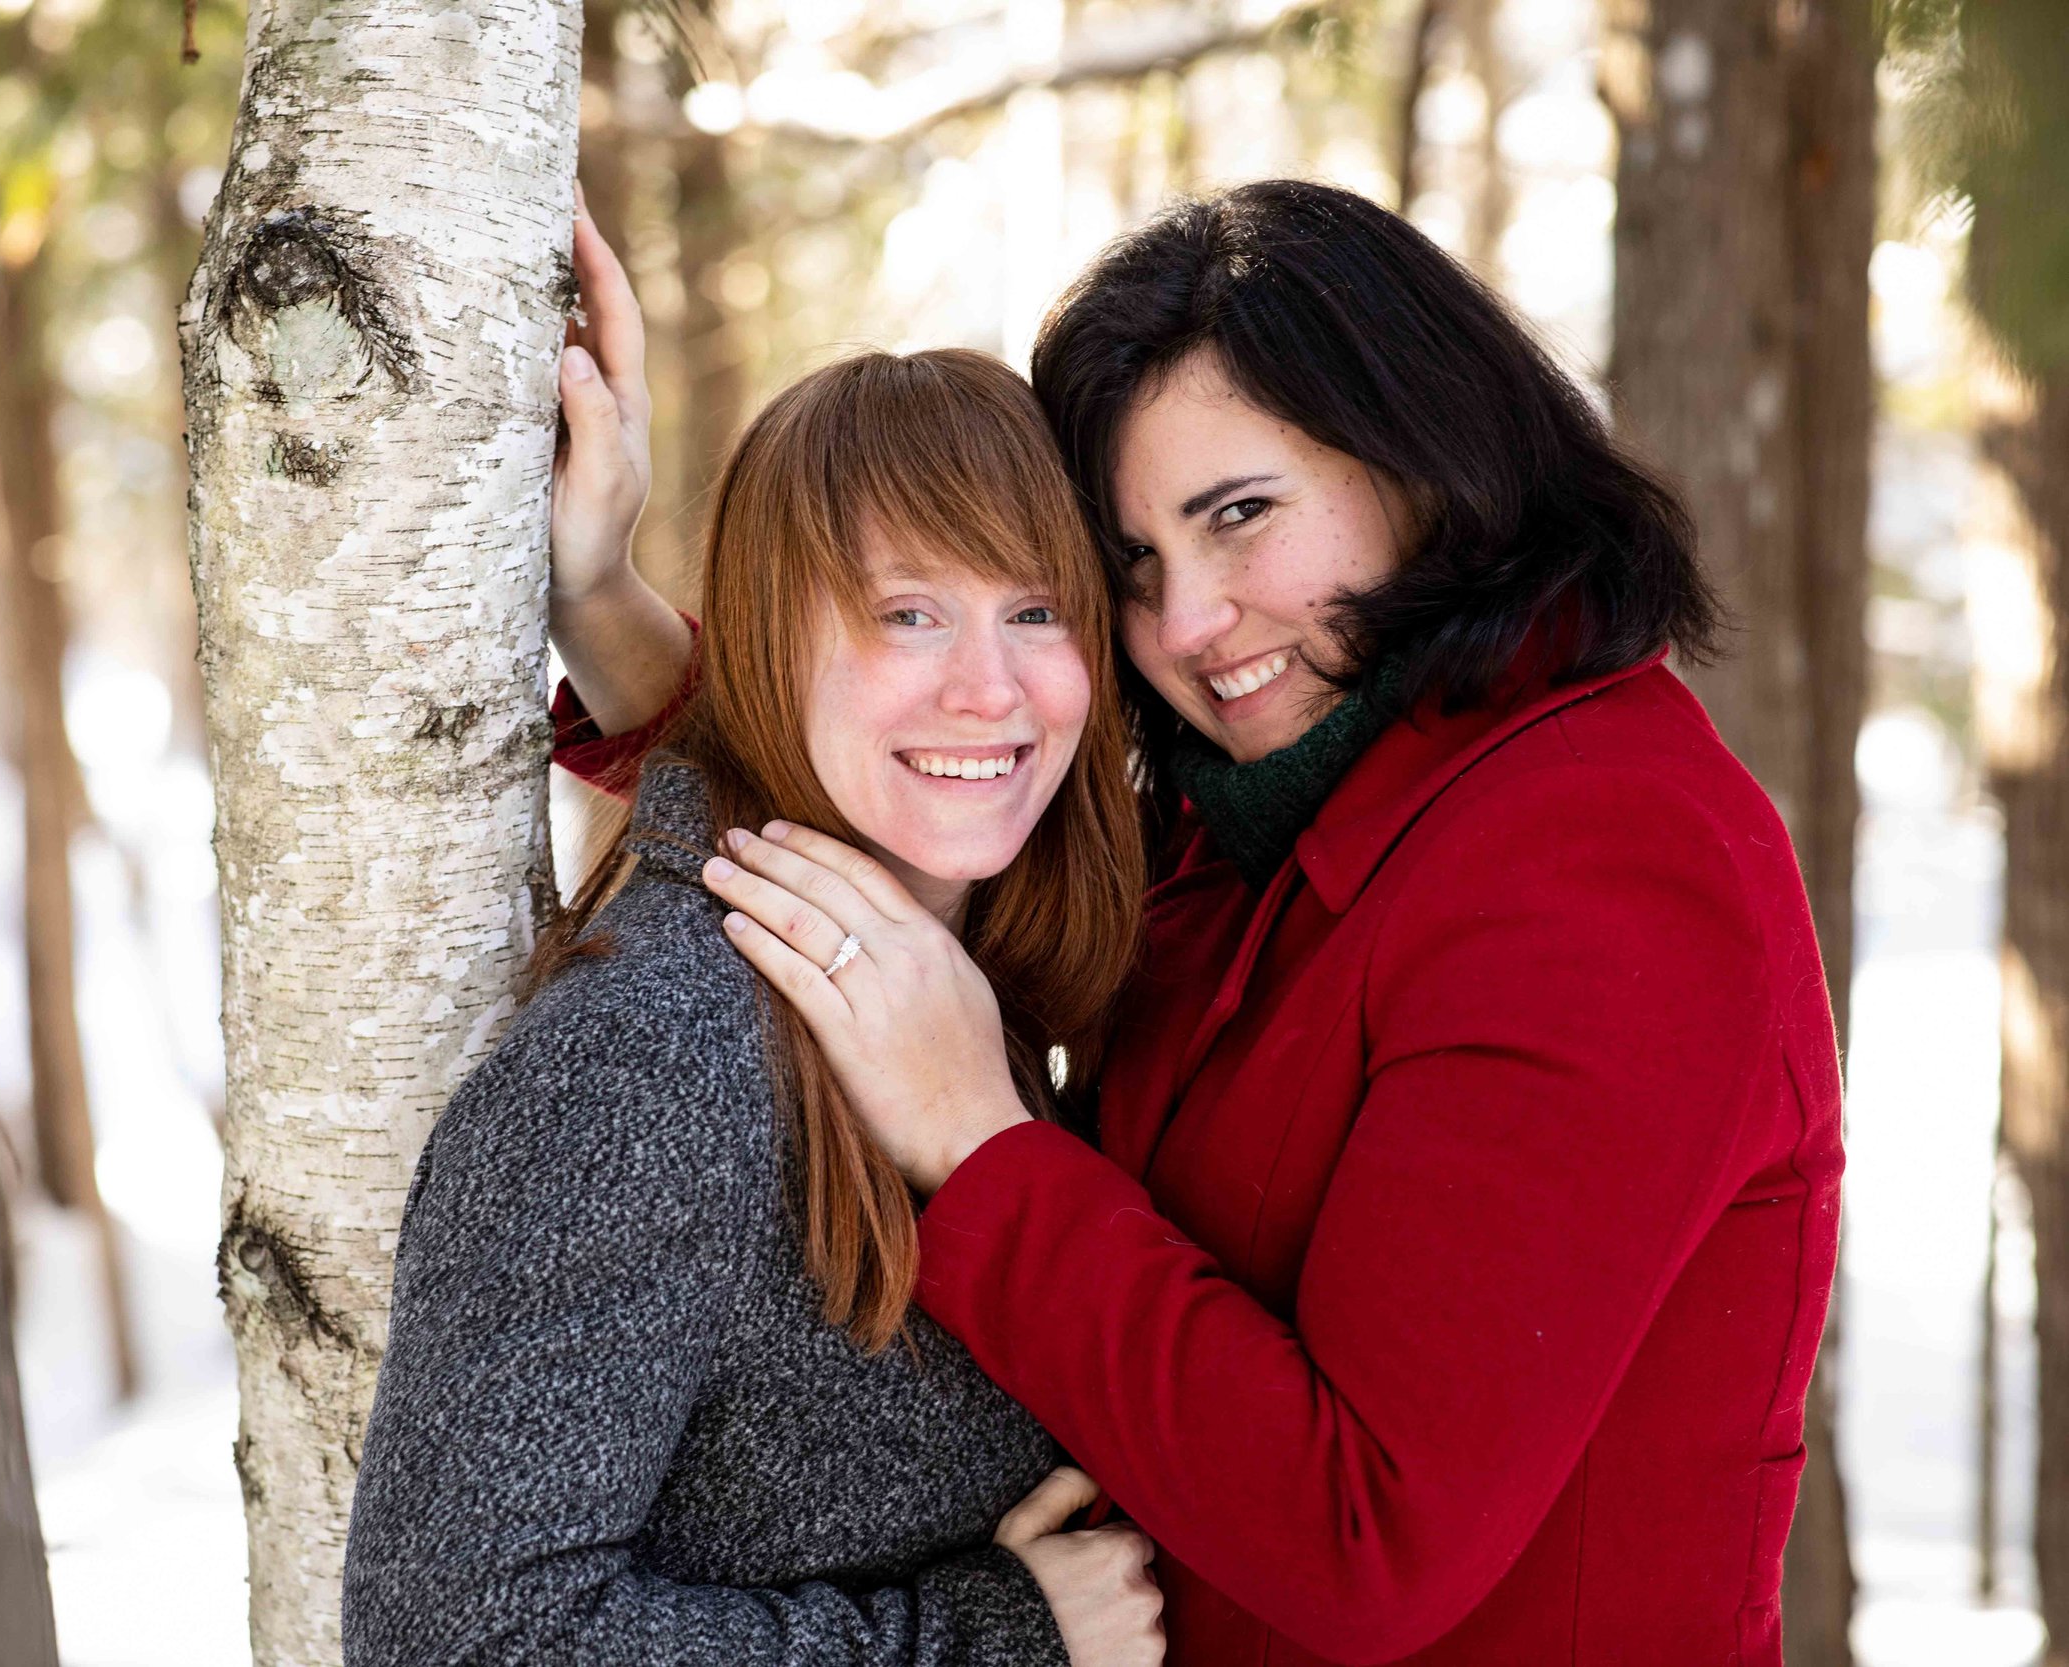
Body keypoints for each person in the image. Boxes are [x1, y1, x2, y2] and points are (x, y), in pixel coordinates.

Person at [551, 180, 1845, 1665]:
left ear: (1425, 450)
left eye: (1241, 518)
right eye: (1133, 566)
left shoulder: (1603, 863)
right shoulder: (1269, 809)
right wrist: (605, 609)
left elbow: (1374, 1539)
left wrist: (984, 1144)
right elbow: (932, 810)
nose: (1186, 627)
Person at [340, 200, 1166, 1667]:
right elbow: (456, 1640)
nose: (990, 690)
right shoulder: (653, 1064)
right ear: (777, 644)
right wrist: (993, 1641)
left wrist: (594, 594)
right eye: (908, 614)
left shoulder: (993, 987)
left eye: (1035, 611)